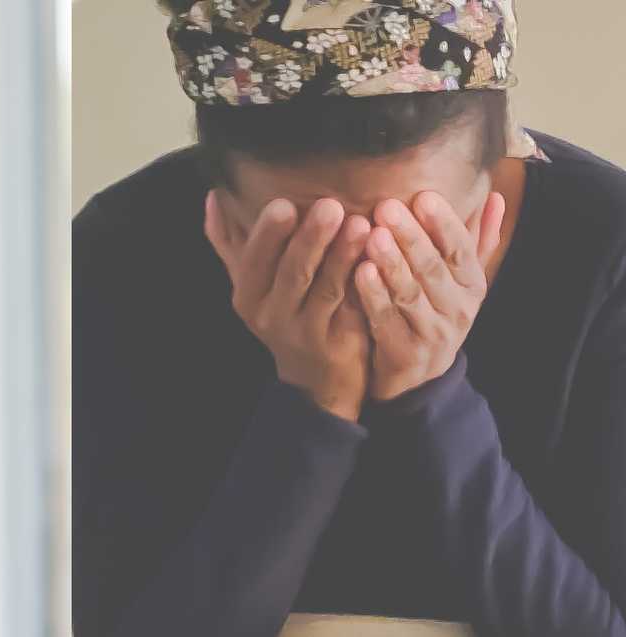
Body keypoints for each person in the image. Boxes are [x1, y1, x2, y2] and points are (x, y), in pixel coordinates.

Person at [74, 1, 626, 635]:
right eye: (300, 241)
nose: (363, 279)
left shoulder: (607, 250)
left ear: (495, 174)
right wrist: (312, 405)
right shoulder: (124, 248)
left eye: (412, 235)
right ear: (218, 203)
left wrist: (433, 395)